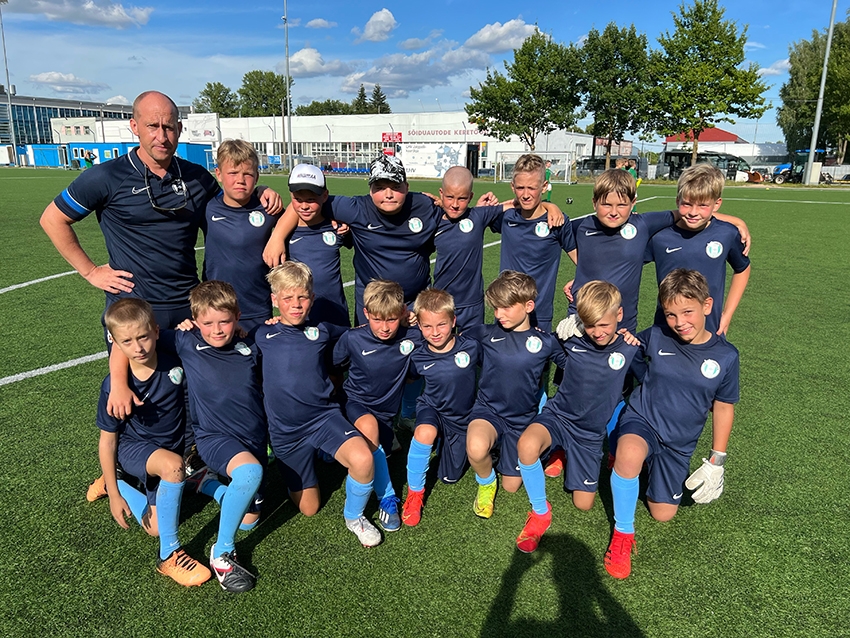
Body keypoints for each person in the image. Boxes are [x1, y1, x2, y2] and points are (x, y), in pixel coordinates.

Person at [40, 90, 282, 337]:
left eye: (168, 127)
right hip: (132, 308)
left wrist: (260, 190)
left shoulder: (197, 178)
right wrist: (91, 272)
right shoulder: (105, 176)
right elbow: (52, 219)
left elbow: (232, 203)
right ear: (134, 126)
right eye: (152, 126)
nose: (161, 136)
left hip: (190, 308)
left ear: (179, 129)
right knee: (134, 365)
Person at [104, 281, 267, 591]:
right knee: (249, 473)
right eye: (208, 323)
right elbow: (129, 339)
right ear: (195, 320)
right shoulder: (185, 340)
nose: (217, 330)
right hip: (214, 437)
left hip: (253, 439)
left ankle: (202, 482)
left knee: (249, 518)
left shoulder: (250, 344)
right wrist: (118, 383)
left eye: (225, 321)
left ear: (237, 317)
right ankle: (222, 554)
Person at [604, 269, 739, 579]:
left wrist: (717, 460)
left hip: (679, 442)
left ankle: (642, 467)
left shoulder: (726, 356)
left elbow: (723, 407)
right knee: (629, 454)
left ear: (707, 305)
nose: (679, 322)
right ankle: (623, 534)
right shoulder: (657, 335)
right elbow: (622, 344)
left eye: (687, 312)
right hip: (643, 420)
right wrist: (586, 328)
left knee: (663, 513)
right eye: (671, 314)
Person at [256, 262, 382, 547]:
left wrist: (403, 319)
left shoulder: (322, 330)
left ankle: (355, 517)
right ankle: (306, 466)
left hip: (323, 419)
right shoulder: (261, 335)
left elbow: (361, 330)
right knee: (309, 508)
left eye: (302, 297)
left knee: (363, 459)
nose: (296, 304)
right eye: (287, 298)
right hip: (286, 432)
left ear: (312, 299)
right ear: (274, 300)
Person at [514, 281, 639, 553]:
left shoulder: (630, 348)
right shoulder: (573, 338)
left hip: (589, 434)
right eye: (589, 325)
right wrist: (565, 326)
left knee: (583, 504)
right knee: (526, 445)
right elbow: (541, 342)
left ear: (619, 315)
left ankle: (563, 453)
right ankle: (540, 512)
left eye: (604, 325)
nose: (597, 332)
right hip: (559, 417)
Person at [94, 298, 210, 587]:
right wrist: (116, 501)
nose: (138, 347)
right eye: (127, 341)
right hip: (133, 448)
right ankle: (169, 556)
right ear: (114, 343)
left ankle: (114, 483)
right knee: (173, 467)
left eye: (143, 337)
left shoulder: (174, 361)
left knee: (155, 527)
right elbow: (107, 442)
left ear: (157, 331)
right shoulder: (114, 387)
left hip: (170, 450)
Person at [265, 154, 440, 324]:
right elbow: (303, 202)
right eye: (380, 187)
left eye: (395, 187)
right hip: (372, 305)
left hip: (415, 303)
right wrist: (277, 237)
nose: (388, 194)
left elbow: (451, 209)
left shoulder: (425, 206)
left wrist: (441, 202)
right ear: (370, 189)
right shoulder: (356, 209)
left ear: (407, 187)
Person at [463, 271, 569, 518]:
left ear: (528, 306)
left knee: (512, 486)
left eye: (506, 307)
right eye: (495, 308)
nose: (499, 314)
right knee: (476, 448)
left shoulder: (545, 342)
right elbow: (451, 342)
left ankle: (544, 450)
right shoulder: (484, 333)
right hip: (488, 411)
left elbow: (574, 367)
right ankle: (487, 482)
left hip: (522, 419)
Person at [333, 279, 423, 532]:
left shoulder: (413, 336)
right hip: (354, 405)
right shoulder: (353, 338)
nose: (384, 327)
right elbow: (332, 366)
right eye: (377, 320)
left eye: (391, 319)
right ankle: (387, 497)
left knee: (378, 441)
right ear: (366, 314)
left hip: (387, 415)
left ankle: (374, 442)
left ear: (403, 313)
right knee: (370, 428)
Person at [401, 288, 482, 526]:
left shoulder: (471, 347)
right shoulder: (418, 356)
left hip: (462, 417)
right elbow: (410, 378)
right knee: (424, 432)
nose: (435, 332)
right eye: (427, 326)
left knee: (449, 477)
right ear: (419, 325)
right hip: (432, 409)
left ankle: (448, 442)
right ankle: (415, 495)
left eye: (441, 325)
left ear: (453, 321)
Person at [645, 163, 751, 335]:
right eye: (687, 204)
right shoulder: (659, 237)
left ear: (716, 204)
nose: (693, 212)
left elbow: (743, 268)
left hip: (710, 329)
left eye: (702, 205)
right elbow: (627, 264)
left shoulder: (727, 233)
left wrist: (727, 314)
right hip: (666, 330)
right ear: (677, 201)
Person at [201, 140, 278, 331]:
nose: (240, 180)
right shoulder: (206, 208)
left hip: (257, 308)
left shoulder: (269, 208)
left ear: (257, 176)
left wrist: (336, 222)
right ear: (218, 174)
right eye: (233, 173)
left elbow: (296, 216)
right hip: (216, 309)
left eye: (248, 174)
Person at [496, 154, 576, 333]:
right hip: (506, 309)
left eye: (532, 188)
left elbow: (581, 261)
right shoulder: (506, 217)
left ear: (544, 186)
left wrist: (577, 279)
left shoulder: (557, 222)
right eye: (520, 188)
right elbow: (475, 216)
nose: (525, 195)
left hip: (540, 313)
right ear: (512, 187)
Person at [285, 163, 352, 327]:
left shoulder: (337, 227)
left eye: (311, 199)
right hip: (300, 318)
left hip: (336, 318)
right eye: (298, 199)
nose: (304, 206)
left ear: (325, 195)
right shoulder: (284, 232)